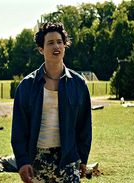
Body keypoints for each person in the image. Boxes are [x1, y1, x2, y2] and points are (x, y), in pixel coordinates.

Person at [11, 22, 92, 183]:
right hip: (37, 161)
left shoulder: (78, 84)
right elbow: (19, 129)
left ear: (65, 45)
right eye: (50, 42)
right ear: (41, 49)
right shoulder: (27, 86)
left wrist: (82, 158)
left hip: (69, 160)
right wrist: (22, 160)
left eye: (60, 41)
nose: (56, 46)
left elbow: (84, 126)